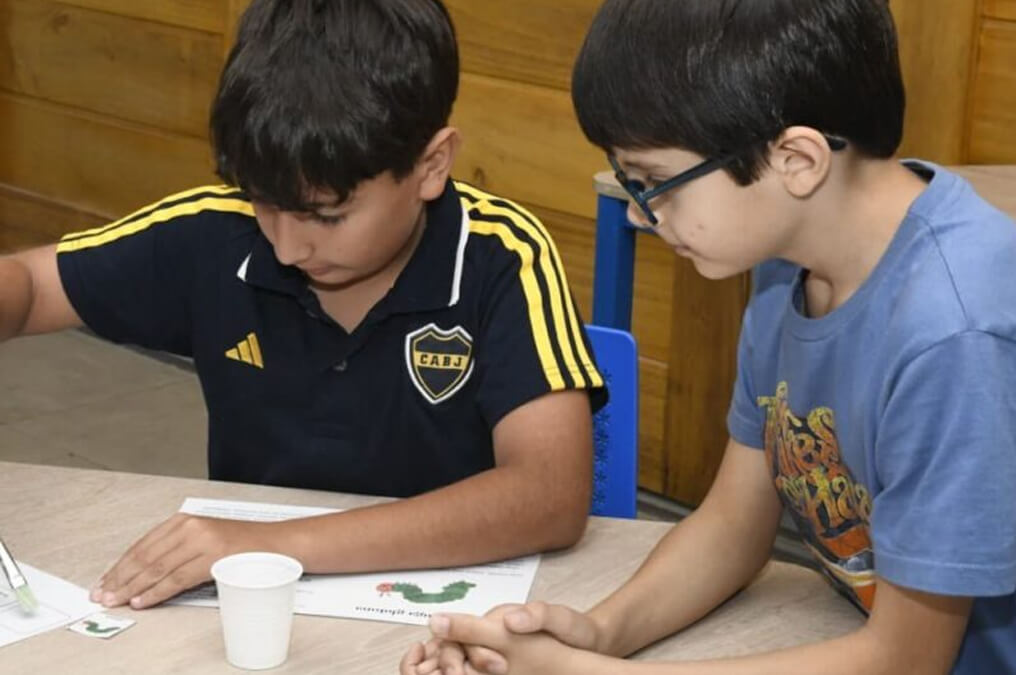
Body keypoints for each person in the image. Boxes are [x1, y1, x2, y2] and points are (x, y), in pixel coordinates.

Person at [0, 0, 606, 611]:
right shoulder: (214, 230)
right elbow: (24, 281)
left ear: (431, 165)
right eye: (266, 203)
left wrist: (274, 545)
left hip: (448, 613)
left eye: (325, 216)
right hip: (255, 612)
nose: (288, 247)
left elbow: (548, 495)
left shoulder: (501, 254)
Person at [402, 0, 1016, 672]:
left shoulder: (952, 331)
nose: (643, 214)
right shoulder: (793, 258)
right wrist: (598, 634)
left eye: (657, 183)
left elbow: (906, 658)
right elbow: (733, 526)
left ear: (798, 159)